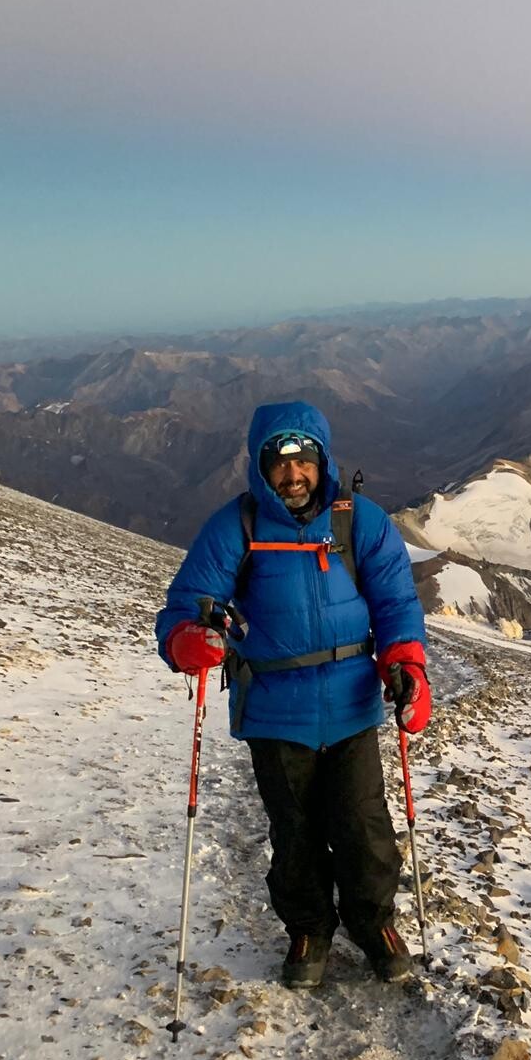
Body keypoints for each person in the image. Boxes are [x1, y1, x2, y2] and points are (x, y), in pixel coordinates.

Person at [155, 401, 430, 987]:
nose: (293, 475)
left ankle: (373, 922)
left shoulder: (360, 522)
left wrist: (407, 666)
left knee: (365, 830)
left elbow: (396, 604)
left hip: (353, 705)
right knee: (296, 833)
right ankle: (309, 930)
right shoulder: (237, 528)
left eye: (304, 460)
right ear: (260, 469)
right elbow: (186, 605)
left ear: (322, 460)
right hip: (277, 713)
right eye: (279, 464)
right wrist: (187, 642)